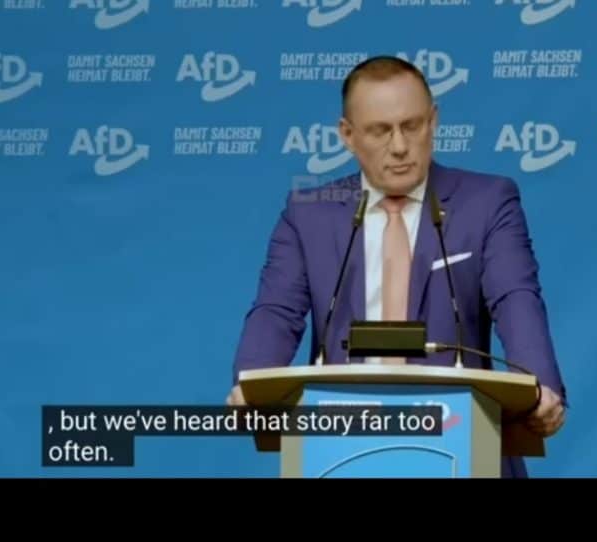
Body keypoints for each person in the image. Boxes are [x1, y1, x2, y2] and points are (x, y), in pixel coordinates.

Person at [226, 56, 566, 476]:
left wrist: (540, 384)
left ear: (433, 121)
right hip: (342, 446)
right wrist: (251, 382)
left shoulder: (488, 202)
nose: (400, 146)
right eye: (380, 131)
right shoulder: (308, 213)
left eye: (412, 125)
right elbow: (276, 310)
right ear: (347, 135)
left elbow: (516, 297)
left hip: (462, 440)